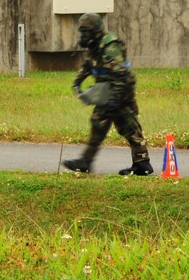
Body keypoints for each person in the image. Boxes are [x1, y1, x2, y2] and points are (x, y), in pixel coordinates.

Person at [62, 13, 154, 175]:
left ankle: (87, 161)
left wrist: (114, 100)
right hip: (108, 89)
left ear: (95, 31)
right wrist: (77, 81)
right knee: (118, 125)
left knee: (120, 125)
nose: (83, 36)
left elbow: (121, 75)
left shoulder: (110, 46)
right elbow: (89, 65)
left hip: (120, 89)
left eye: (86, 32)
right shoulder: (95, 45)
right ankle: (141, 164)